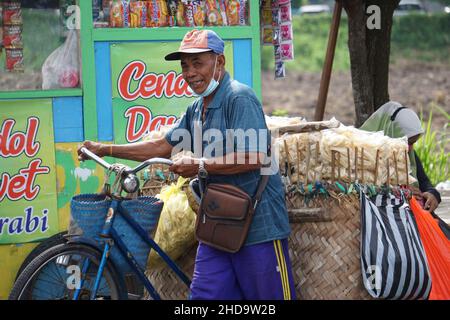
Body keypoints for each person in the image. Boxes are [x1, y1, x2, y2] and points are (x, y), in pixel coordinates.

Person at [78, 29, 296, 300]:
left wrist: (201, 165)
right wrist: (105, 149)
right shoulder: (196, 109)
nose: (190, 72)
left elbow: (254, 157)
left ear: (220, 62)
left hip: (258, 226)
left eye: (198, 63)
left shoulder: (239, 98)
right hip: (217, 225)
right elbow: (161, 146)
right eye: (184, 65)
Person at [360, 101, 441, 212]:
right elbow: (361, 190)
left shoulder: (406, 152)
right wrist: (401, 191)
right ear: (391, 133)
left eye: (413, 143)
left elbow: (424, 182)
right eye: (408, 142)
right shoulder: (363, 154)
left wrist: (433, 194)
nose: (410, 148)